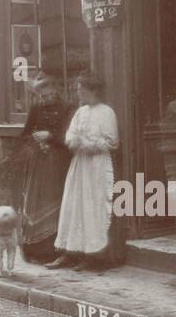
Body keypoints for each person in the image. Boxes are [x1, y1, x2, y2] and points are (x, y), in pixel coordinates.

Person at [47, 73, 119, 271]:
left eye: (80, 89)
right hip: (79, 164)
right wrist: (73, 140)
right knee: (73, 206)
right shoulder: (80, 112)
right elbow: (70, 135)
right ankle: (69, 252)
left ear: (92, 90)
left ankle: (92, 255)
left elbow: (112, 142)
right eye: (77, 89)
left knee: (92, 207)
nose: (77, 92)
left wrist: (87, 143)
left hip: (96, 165)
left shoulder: (106, 112)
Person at [18, 74, 71, 263]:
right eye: (41, 96)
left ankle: (53, 251)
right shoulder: (36, 107)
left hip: (58, 163)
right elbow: (26, 132)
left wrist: (50, 136)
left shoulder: (67, 108)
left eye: (47, 96)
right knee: (34, 202)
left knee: (55, 202)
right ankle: (33, 249)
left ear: (56, 91)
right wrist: (33, 140)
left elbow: (69, 136)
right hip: (38, 163)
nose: (44, 100)